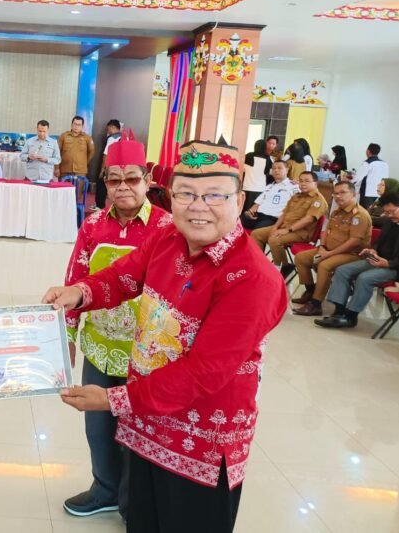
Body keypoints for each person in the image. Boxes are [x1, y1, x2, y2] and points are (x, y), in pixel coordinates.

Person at [45, 139, 288, 533]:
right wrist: (80, 292)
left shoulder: (252, 277)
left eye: (215, 195)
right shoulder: (169, 238)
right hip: (147, 423)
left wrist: (111, 399)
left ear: (240, 201)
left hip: (199, 445)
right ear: (170, 196)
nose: (198, 206)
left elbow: (204, 372)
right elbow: (124, 275)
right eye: (186, 193)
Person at [61, 137, 171, 521]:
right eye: (114, 180)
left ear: (148, 180)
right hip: (100, 344)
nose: (123, 187)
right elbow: (75, 278)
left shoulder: (167, 227)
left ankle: (134, 501)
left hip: (149, 353)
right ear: (105, 183)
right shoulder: (93, 224)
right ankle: (105, 489)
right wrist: (68, 335)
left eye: (132, 179)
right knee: (98, 426)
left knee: (138, 430)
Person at [315, 192, 399, 329]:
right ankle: (339, 312)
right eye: (386, 212)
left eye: (392, 212)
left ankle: (351, 317)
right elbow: (379, 243)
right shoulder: (390, 222)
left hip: (396, 268)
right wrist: (373, 250)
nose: (389, 215)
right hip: (378, 260)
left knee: (364, 278)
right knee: (342, 270)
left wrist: (388, 263)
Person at [290, 181, 372, 316]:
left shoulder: (359, 215)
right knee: (301, 258)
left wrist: (329, 254)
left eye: (342, 193)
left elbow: (354, 242)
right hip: (328, 249)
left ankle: (316, 304)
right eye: (336, 193)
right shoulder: (336, 211)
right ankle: (310, 291)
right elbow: (325, 231)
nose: (338, 196)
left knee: (324, 265)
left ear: (353, 194)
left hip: (351, 254)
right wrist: (322, 247)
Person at [250, 172, 328, 276]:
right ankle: (259, 263)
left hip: (301, 233)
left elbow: (308, 219)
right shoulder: (296, 196)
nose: (303, 184)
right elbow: (284, 213)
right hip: (285, 227)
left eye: (307, 181)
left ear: (315, 183)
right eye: (301, 181)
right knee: (256, 234)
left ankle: (283, 267)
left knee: (274, 240)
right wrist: (275, 227)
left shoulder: (318, 200)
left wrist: (288, 230)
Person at [241, 161, 299, 230]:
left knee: (258, 229)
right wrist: (250, 212)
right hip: (259, 215)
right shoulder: (269, 186)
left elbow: (297, 206)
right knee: (238, 221)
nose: (276, 170)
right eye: (274, 168)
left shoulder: (293, 186)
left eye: (279, 168)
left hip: (274, 219)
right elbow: (258, 203)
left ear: (287, 170)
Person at [93, 119, 122, 210]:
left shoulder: (112, 139)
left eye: (108, 128)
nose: (108, 131)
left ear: (112, 127)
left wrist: (102, 170)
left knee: (101, 185)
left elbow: (106, 155)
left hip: (109, 167)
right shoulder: (125, 138)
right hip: (120, 167)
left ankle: (99, 206)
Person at [352, 143, 390, 208]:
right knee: (376, 212)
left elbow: (358, 178)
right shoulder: (385, 164)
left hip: (368, 193)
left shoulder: (367, 163)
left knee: (365, 212)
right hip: (381, 193)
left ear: (368, 151)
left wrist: (350, 183)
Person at [242, 139, 270, 209]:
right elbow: (268, 172)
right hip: (261, 188)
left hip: (248, 187)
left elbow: (243, 169)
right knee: (256, 209)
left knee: (245, 209)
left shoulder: (249, 155)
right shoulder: (267, 158)